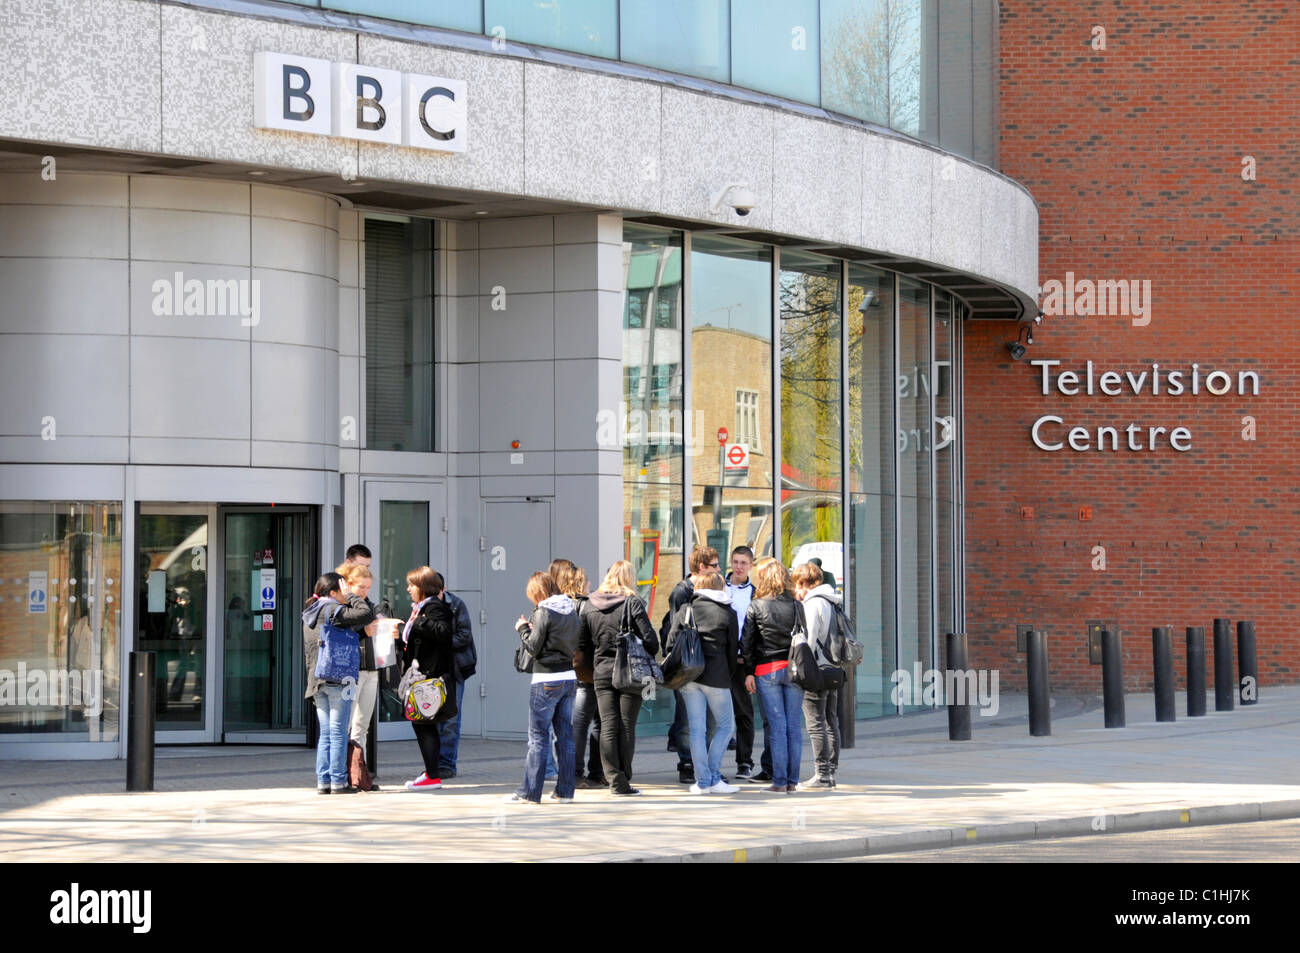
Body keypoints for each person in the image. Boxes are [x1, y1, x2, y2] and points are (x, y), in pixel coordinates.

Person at [578, 560, 660, 796]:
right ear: (628, 578)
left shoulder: (590, 605)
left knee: (607, 726)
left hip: (601, 672)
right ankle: (623, 778)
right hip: (630, 673)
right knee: (626, 726)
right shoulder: (632, 602)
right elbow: (651, 642)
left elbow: (583, 643)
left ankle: (614, 779)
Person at [506, 572, 579, 804]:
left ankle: (530, 793)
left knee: (538, 738)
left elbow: (534, 647)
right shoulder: (571, 609)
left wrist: (522, 628)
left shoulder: (543, 611)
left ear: (538, 592)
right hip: (569, 677)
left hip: (546, 679)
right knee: (565, 737)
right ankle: (565, 792)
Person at [302, 571, 374, 794]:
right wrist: (351, 596)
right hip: (338, 678)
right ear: (333, 592)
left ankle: (323, 781)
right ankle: (338, 782)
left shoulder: (311, 611)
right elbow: (365, 613)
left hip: (317, 681)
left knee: (326, 733)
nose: (346, 594)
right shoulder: (333, 609)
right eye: (342, 590)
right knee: (339, 731)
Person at [669, 571, 739, 794]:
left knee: (697, 731)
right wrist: (728, 674)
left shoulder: (686, 609)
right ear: (720, 587)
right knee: (726, 727)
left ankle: (702, 782)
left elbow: (671, 642)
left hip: (689, 677)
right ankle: (714, 777)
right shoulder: (727, 611)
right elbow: (731, 650)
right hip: (717, 677)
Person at [741, 558, 805, 794]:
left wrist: (748, 671)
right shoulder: (797, 606)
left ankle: (779, 781)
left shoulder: (756, 606)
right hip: (794, 669)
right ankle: (792, 781)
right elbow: (803, 638)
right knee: (793, 728)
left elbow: (747, 643)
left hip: (767, 670)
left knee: (777, 728)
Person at [663, 545, 719, 784]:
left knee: (710, 719)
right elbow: (678, 630)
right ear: (701, 567)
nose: (719, 570)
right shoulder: (682, 591)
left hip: (707, 663)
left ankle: (704, 765)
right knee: (687, 718)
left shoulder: (713, 589)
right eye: (715, 566)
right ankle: (687, 763)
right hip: (688, 662)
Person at [398, 567, 457, 792]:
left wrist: (415, 624)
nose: (408, 589)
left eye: (411, 585)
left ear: (423, 587)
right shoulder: (422, 608)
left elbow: (443, 632)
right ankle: (430, 773)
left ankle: (432, 775)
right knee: (423, 724)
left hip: (429, 678)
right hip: (422, 677)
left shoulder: (432, 606)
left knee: (424, 724)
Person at [792, 562, 841, 789]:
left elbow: (808, 642)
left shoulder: (812, 604)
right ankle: (830, 771)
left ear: (804, 583)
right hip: (833, 667)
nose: (796, 592)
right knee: (831, 720)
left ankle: (822, 775)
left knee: (816, 724)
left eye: (797, 586)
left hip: (817, 670)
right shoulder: (834, 600)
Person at [725, 545, 771, 783]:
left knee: (744, 712)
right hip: (720, 660)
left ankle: (744, 762)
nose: (739, 567)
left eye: (743, 563)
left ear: (751, 565)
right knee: (715, 714)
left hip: (743, 660)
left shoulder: (755, 593)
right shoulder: (719, 587)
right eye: (735, 562)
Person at [561, 564, 606, 788]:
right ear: (579, 583)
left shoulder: (562, 605)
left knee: (580, 723)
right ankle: (587, 772)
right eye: (587, 581)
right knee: (590, 722)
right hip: (589, 670)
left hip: (572, 669)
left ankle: (580, 771)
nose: (590, 584)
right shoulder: (587, 606)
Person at [338, 561, 382, 786]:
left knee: (362, 724)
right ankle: (342, 774)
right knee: (345, 723)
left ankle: (358, 773)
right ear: (349, 585)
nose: (365, 592)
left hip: (371, 668)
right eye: (361, 587)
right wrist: (363, 631)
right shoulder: (343, 606)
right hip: (351, 671)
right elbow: (341, 632)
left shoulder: (370, 605)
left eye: (368, 587)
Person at [437, 580, 477, 779]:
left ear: (442, 589)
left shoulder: (456, 604)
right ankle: (433, 764)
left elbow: (464, 635)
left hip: (455, 669)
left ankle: (447, 764)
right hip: (432, 671)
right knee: (433, 719)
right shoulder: (421, 606)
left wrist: (439, 642)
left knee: (451, 720)